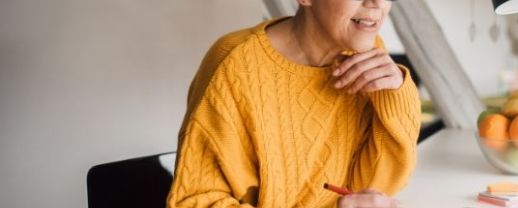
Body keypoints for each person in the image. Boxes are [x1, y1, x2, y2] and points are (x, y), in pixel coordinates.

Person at [167, 0, 421, 207]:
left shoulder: (364, 54)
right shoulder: (234, 63)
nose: (377, 3)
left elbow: (375, 186)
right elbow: (195, 200)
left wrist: (397, 91)